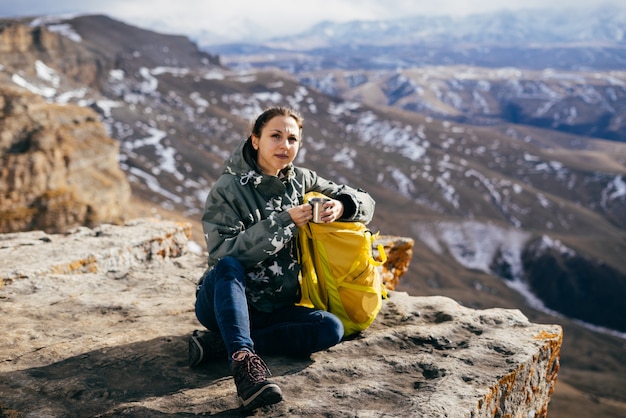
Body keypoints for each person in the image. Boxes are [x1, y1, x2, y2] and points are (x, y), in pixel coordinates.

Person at [191, 106, 375, 411]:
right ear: (255, 140)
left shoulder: (301, 180)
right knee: (228, 266)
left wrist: (342, 206)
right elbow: (223, 253)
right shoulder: (229, 188)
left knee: (331, 328)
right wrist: (283, 221)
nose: (284, 145)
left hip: (275, 307)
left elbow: (366, 201)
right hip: (222, 301)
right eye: (275, 136)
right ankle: (244, 365)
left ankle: (224, 343)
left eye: (292, 139)